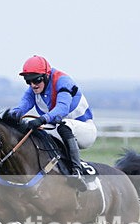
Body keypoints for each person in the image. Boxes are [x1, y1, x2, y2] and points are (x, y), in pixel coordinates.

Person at [11, 55, 96, 191]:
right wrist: (8, 118)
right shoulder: (34, 88)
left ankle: (77, 171)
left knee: (64, 126)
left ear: (46, 75)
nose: (33, 85)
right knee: (35, 132)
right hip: (59, 129)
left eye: (36, 80)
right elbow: (22, 106)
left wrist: (42, 119)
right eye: (28, 81)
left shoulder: (63, 81)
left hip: (84, 131)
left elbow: (62, 108)